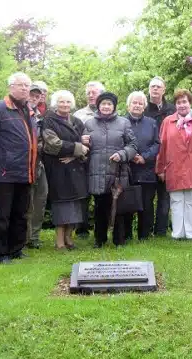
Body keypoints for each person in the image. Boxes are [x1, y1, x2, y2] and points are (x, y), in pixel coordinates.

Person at [0, 72, 38, 264]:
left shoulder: (28, 110)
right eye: (21, 85)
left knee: (20, 213)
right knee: (2, 215)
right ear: (10, 87)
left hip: (25, 171)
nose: (25, 89)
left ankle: (15, 249)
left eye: (27, 85)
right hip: (4, 173)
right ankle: (0, 254)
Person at [156, 89, 192, 240]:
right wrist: (160, 168)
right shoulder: (168, 121)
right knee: (176, 200)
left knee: (191, 200)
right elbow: (162, 146)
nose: (182, 105)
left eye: (184, 102)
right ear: (175, 105)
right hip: (174, 166)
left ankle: (190, 234)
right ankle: (177, 233)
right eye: (178, 102)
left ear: (190, 103)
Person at [82, 92, 137, 247]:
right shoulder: (89, 124)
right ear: (98, 106)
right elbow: (84, 147)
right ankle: (99, 240)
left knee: (118, 207)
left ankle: (119, 240)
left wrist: (122, 154)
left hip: (118, 172)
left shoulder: (124, 123)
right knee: (100, 206)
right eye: (103, 104)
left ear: (114, 106)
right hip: (97, 172)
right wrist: (82, 142)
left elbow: (133, 145)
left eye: (109, 104)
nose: (106, 106)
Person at [42, 90, 88, 249]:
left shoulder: (77, 121)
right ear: (56, 103)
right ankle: (60, 242)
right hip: (58, 169)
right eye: (61, 101)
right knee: (62, 205)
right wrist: (76, 148)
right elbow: (52, 144)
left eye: (68, 102)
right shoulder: (48, 121)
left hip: (76, 169)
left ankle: (69, 238)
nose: (65, 105)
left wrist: (75, 156)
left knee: (75, 205)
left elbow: (87, 144)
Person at [124, 91, 160, 241]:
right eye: (134, 102)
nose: (137, 105)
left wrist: (144, 157)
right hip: (128, 169)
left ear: (144, 106)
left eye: (140, 103)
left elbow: (157, 144)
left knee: (146, 203)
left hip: (147, 169)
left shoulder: (152, 123)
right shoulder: (121, 122)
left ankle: (144, 235)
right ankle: (126, 235)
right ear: (128, 105)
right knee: (127, 203)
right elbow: (119, 142)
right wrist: (131, 156)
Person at [144, 76, 176, 237]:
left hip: (167, 159)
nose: (155, 89)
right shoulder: (142, 108)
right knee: (148, 198)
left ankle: (161, 231)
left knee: (165, 198)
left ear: (164, 90)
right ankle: (147, 230)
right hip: (147, 161)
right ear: (149, 90)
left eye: (158, 87)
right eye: (152, 87)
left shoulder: (172, 109)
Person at [73, 81, 105, 238]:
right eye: (89, 93)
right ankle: (82, 228)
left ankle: (101, 227)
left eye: (95, 92)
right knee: (83, 194)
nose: (91, 95)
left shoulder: (110, 112)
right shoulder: (78, 115)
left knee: (102, 195)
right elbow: (69, 137)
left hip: (103, 160)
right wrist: (80, 139)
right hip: (83, 160)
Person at [25, 83, 49, 249]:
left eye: (37, 96)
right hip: (23, 165)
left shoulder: (40, 115)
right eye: (31, 95)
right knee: (26, 202)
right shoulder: (19, 113)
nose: (34, 98)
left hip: (39, 163)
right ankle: (23, 238)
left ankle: (34, 237)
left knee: (40, 199)